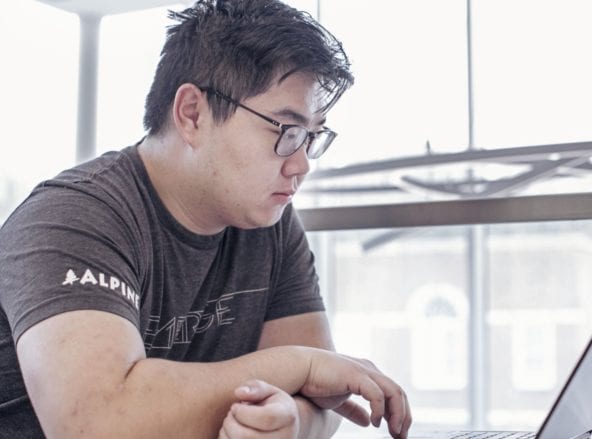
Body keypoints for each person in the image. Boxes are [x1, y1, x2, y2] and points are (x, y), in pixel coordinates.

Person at [0, 0, 412, 438]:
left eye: (312, 137)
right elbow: (97, 422)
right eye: (286, 131)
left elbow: (326, 397)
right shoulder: (74, 217)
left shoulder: (268, 222)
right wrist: (296, 365)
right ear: (192, 113)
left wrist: (290, 422)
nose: (301, 164)